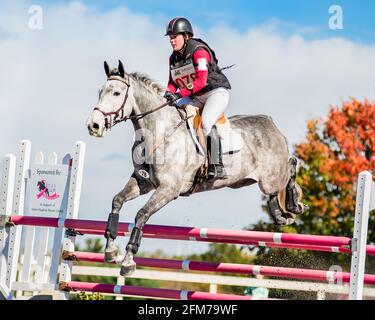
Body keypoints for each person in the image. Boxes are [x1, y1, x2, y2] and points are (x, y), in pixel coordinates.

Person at [163, 17, 231, 182]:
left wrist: (180, 94)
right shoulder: (173, 58)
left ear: (186, 36)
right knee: (174, 113)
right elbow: (172, 83)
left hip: (216, 93)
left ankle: (217, 165)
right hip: (196, 96)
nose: (172, 41)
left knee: (206, 123)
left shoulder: (199, 51)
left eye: (175, 36)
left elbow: (201, 80)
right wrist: (167, 95)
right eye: (170, 37)